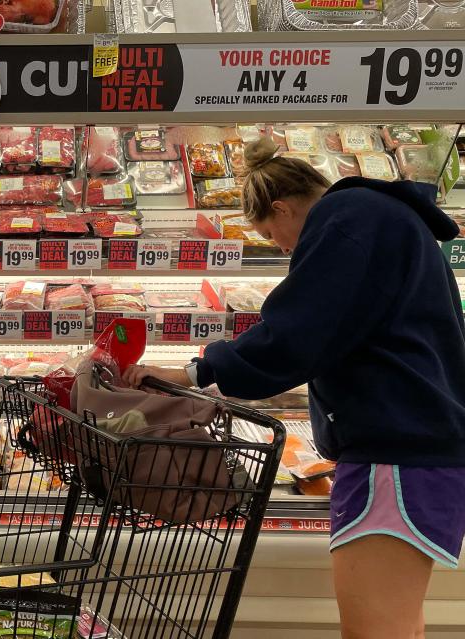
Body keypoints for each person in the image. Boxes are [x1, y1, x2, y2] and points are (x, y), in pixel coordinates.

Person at [125, 137, 465, 639]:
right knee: (399, 624)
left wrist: (198, 372)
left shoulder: (347, 220)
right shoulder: (378, 216)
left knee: (375, 632)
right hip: (418, 448)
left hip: (396, 453)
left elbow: (297, 332)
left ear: (283, 208)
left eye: (271, 233)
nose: (283, 248)